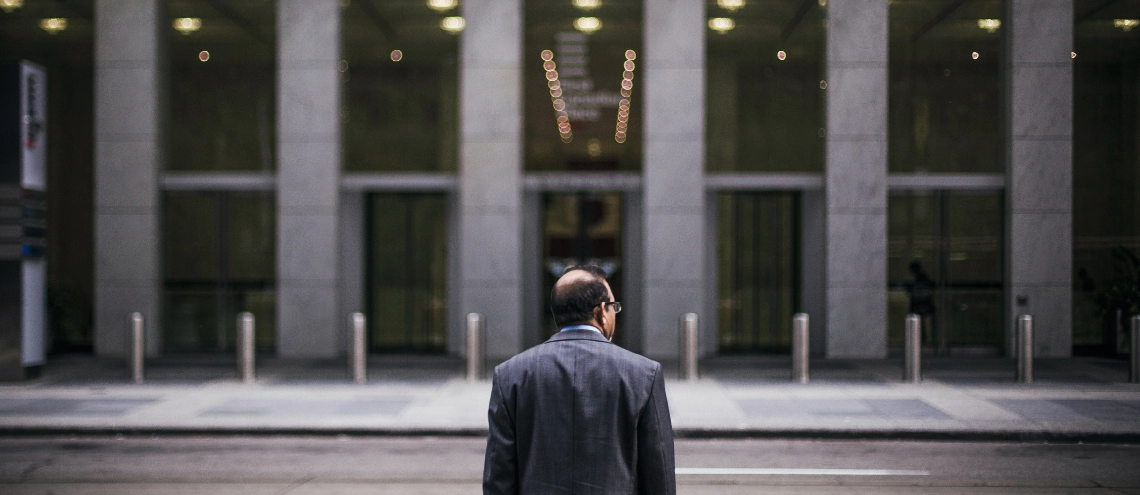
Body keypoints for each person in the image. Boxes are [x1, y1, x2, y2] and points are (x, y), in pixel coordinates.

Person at [483, 265, 676, 494]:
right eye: (614, 306)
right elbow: (659, 476)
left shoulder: (510, 375)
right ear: (601, 312)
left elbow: (498, 479)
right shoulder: (644, 374)